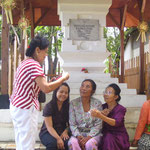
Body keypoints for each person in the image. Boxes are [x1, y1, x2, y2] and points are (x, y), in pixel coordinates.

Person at [9, 35, 69, 150]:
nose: (46, 55)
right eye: (45, 52)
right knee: (27, 143)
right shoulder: (34, 65)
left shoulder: (25, 62)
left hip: (17, 106)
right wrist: (63, 79)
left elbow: (36, 85)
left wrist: (51, 82)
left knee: (21, 140)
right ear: (37, 50)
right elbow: (46, 88)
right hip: (26, 108)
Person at [90, 83, 130, 150]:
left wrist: (101, 116)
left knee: (108, 138)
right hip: (105, 134)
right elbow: (98, 125)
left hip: (118, 136)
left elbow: (115, 123)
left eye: (109, 92)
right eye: (105, 92)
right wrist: (101, 117)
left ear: (116, 97)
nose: (105, 94)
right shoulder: (102, 106)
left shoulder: (121, 109)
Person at [68, 79, 102, 150]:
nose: (83, 88)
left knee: (90, 143)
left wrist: (88, 137)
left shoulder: (97, 103)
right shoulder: (73, 103)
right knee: (73, 143)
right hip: (78, 134)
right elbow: (72, 124)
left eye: (87, 86)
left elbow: (98, 124)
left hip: (93, 135)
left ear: (93, 91)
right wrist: (78, 136)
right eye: (82, 86)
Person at [39, 82, 70, 150]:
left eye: (66, 92)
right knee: (53, 143)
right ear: (56, 92)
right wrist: (58, 138)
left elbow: (71, 123)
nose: (63, 94)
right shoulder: (49, 106)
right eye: (61, 92)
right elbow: (49, 127)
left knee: (68, 143)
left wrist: (66, 131)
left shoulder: (68, 107)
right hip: (48, 133)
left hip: (62, 131)